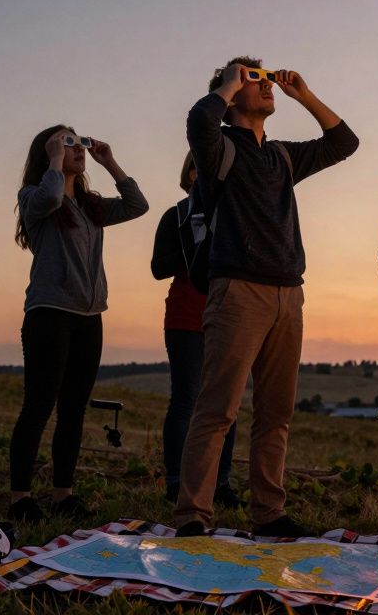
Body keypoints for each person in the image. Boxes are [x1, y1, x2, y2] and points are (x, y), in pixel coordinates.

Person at [174, 58, 359, 538]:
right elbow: (198, 119)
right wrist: (230, 82)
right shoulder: (218, 151)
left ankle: (268, 512)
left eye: (263, 77)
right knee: (218, 409)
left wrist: (303, 94)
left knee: (276, 413)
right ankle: (193, 514)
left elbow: (344, 144)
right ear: (231, 93)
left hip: (288, 294)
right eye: (251, 79)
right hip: (237, 290)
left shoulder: (280, 155)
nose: (264, 85)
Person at [8, 125, 149, 523]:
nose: (78, 149)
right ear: (49, 152)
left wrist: (109, 161)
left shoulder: (92, 206)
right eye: (68, 143)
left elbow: (138, 205)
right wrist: (55, 159)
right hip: (49, 313)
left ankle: (62, 495)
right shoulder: (34, 198)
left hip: (90, 318)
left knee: (74, 411)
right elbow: (52, 194)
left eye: (79, 142)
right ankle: (20, 498)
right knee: (38, 407)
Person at [150, 151, 241, 508]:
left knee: (226, 404)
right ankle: (176, 481)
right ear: (187, 174)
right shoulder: (175, 216)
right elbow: (158, 267)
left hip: (227, 316)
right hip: (186, 318)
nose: (202, 174)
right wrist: (193, 244)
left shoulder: (231, 213)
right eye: (196, 167)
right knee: (186, 399)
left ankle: (221, 484)